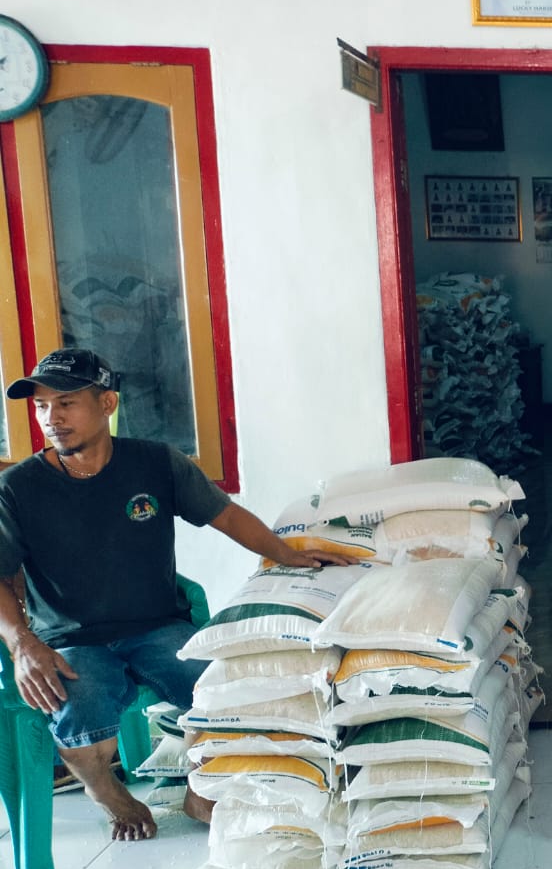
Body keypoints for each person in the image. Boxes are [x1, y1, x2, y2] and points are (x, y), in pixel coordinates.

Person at [0, 349, 350, 842]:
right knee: (75, 707)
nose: (50, 418)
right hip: (71, 638)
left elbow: (225, 515)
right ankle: (109, 795)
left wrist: (286, 554)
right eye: (41, 406)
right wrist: (21, 644)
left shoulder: (155, 463)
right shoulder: (17, 488)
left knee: (226, 688)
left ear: (107, 403)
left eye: (66, 403)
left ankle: (199, 788)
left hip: (158, 626)